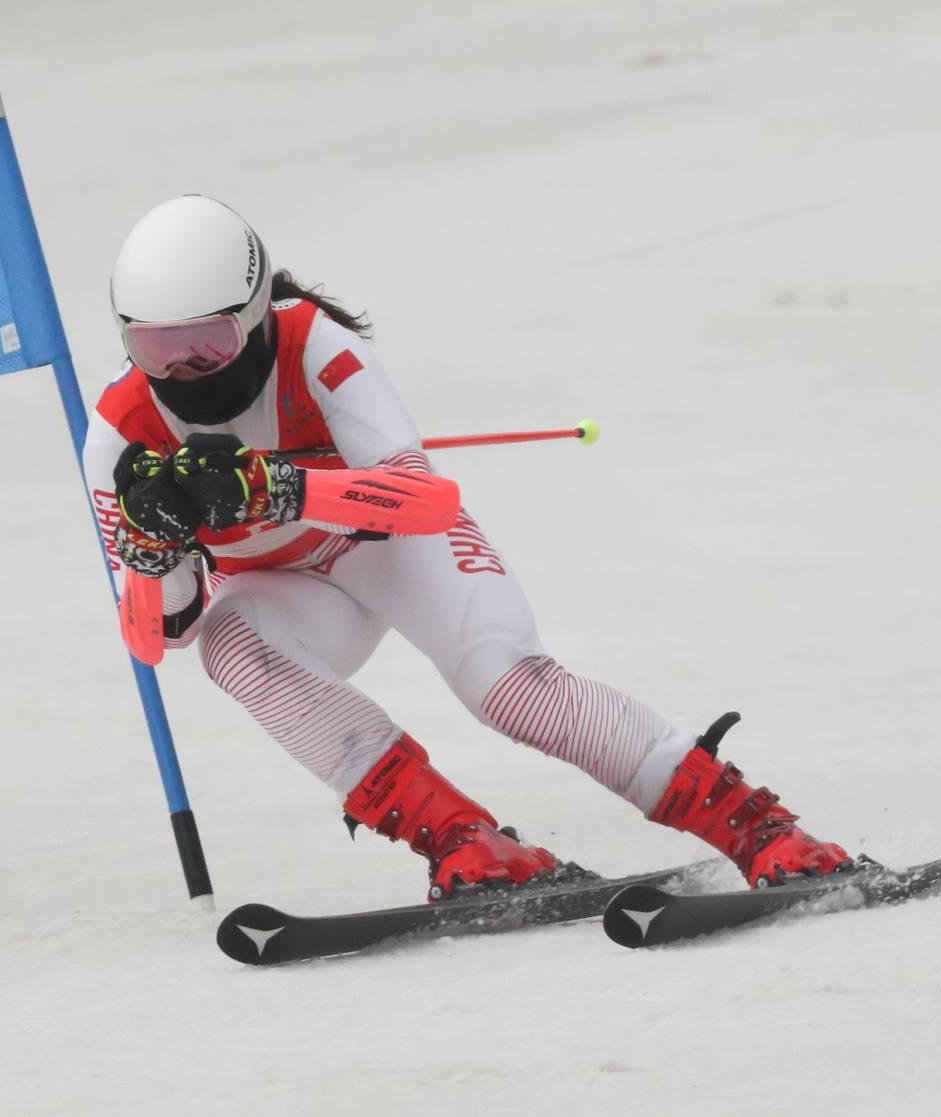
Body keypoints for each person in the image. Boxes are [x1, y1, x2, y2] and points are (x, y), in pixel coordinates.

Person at [83, 195, 850, 900]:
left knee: (508, 687)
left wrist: (277, 489)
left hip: (383, 546)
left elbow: (422, 501)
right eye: (153, 348)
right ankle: (464, 840)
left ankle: (759, 829)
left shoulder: (314, 344)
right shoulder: (119, 434)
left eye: (208, 343)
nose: (182, 370)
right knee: (228, 644)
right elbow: (158, 638)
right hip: (291, 594)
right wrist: (155, 549)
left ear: (253, 316)